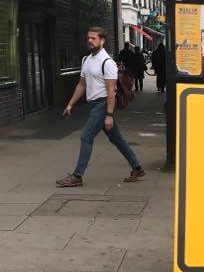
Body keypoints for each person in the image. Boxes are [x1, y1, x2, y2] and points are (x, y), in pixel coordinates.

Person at [55, 27, 145, 188]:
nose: (90, 41)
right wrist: (70, 104)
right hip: (95, 104)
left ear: (102, 41)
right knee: (116, 138)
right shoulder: (86, 60)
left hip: (103, 104)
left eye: (94, 38)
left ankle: (77, 176)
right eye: (88, 38)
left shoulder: (107, 62)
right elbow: (81, 84)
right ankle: (137, 168)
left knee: (86, 136)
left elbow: (111, 91)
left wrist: (109, 114)